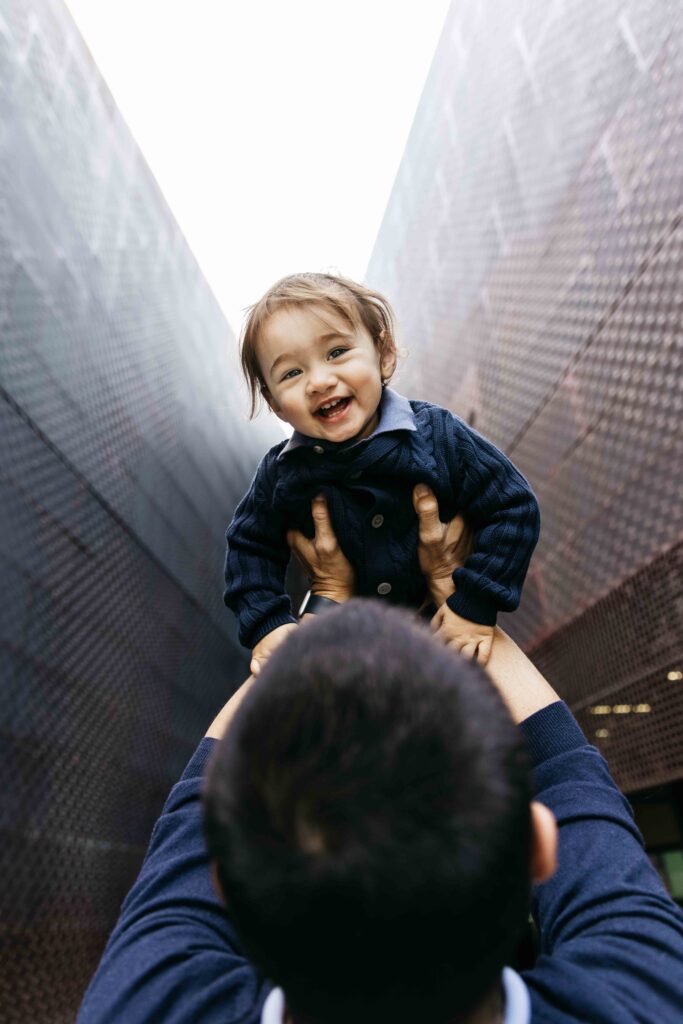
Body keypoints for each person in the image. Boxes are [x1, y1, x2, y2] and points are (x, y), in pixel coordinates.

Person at [78, 489, 683, 1024]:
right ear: (536, 847)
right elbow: (571, 778)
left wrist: (324, 605)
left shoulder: (149, 1005)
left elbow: (190, 819)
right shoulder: (646, 997)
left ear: (227, 885)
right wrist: (459, 597)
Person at [224, 272, 540, 673]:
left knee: (528, 729)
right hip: (347, 643)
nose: (319, 381)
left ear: (384, 353)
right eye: (291, 373)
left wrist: (474, 604)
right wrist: (268, 624)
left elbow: (512, 506)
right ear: (275, 405)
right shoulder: (281, 472)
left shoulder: (436, 434)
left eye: (336, 352)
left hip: (445, 618)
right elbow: (248, 547)